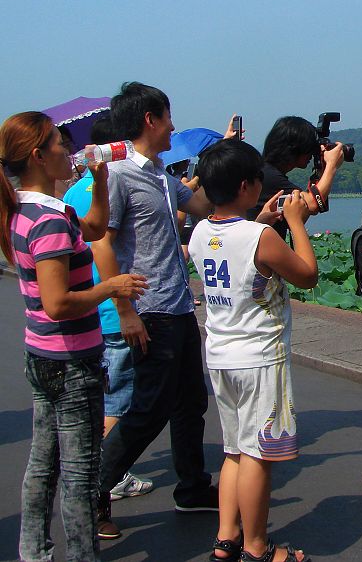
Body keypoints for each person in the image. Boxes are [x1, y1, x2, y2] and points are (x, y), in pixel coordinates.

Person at [0, 111, 147, 561]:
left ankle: (35, 552)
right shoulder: (47, 221)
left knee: (42, 466)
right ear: (40, 156)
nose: (69, 150)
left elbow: (98, 228)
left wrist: (101, 178)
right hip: (70, 362)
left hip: (42, 355)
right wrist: (111, 288)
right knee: (80, 476)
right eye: (60, 144)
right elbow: (58, 302)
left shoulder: (34, 209)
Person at [91, 82, 219, 539]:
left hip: (179, 306)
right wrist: (124, 309)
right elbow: (101, 240)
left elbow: (203, 205)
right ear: (151, 120)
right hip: (149, 310)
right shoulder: (120, 175)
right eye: (168, 117)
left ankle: (192, 487)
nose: (173, 126)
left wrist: (221, 165)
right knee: (147, 409)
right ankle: (91, 493)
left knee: (190, 403)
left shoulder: (163, 177)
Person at [189, 139, 314, 562]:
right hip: (260, 356)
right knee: (259, 454)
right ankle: (259, 548)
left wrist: (260, 219)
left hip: (221, 354)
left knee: (233, 449)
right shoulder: (261, 237)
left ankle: (227, 538)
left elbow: (236, 248)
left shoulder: (201, 231)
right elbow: (308, 275)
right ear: (246, 185)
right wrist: (294, 222)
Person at [62, 113, 154, 501]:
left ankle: (97, 473)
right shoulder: (111, 184)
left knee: (106, 393)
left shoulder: (72, 194)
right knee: (121, 396)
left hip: (91, 310)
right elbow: (103, 245)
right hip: (111, 307)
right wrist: (124, 308)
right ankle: (104, 478)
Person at [248, 116, 344, 238]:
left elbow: (301, 216)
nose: (312, 153)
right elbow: (313, 204)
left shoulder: (264, 171)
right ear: (295, 148)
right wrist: (332, 165)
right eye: (309, 147)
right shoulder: (269, 177)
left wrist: (321, 171)